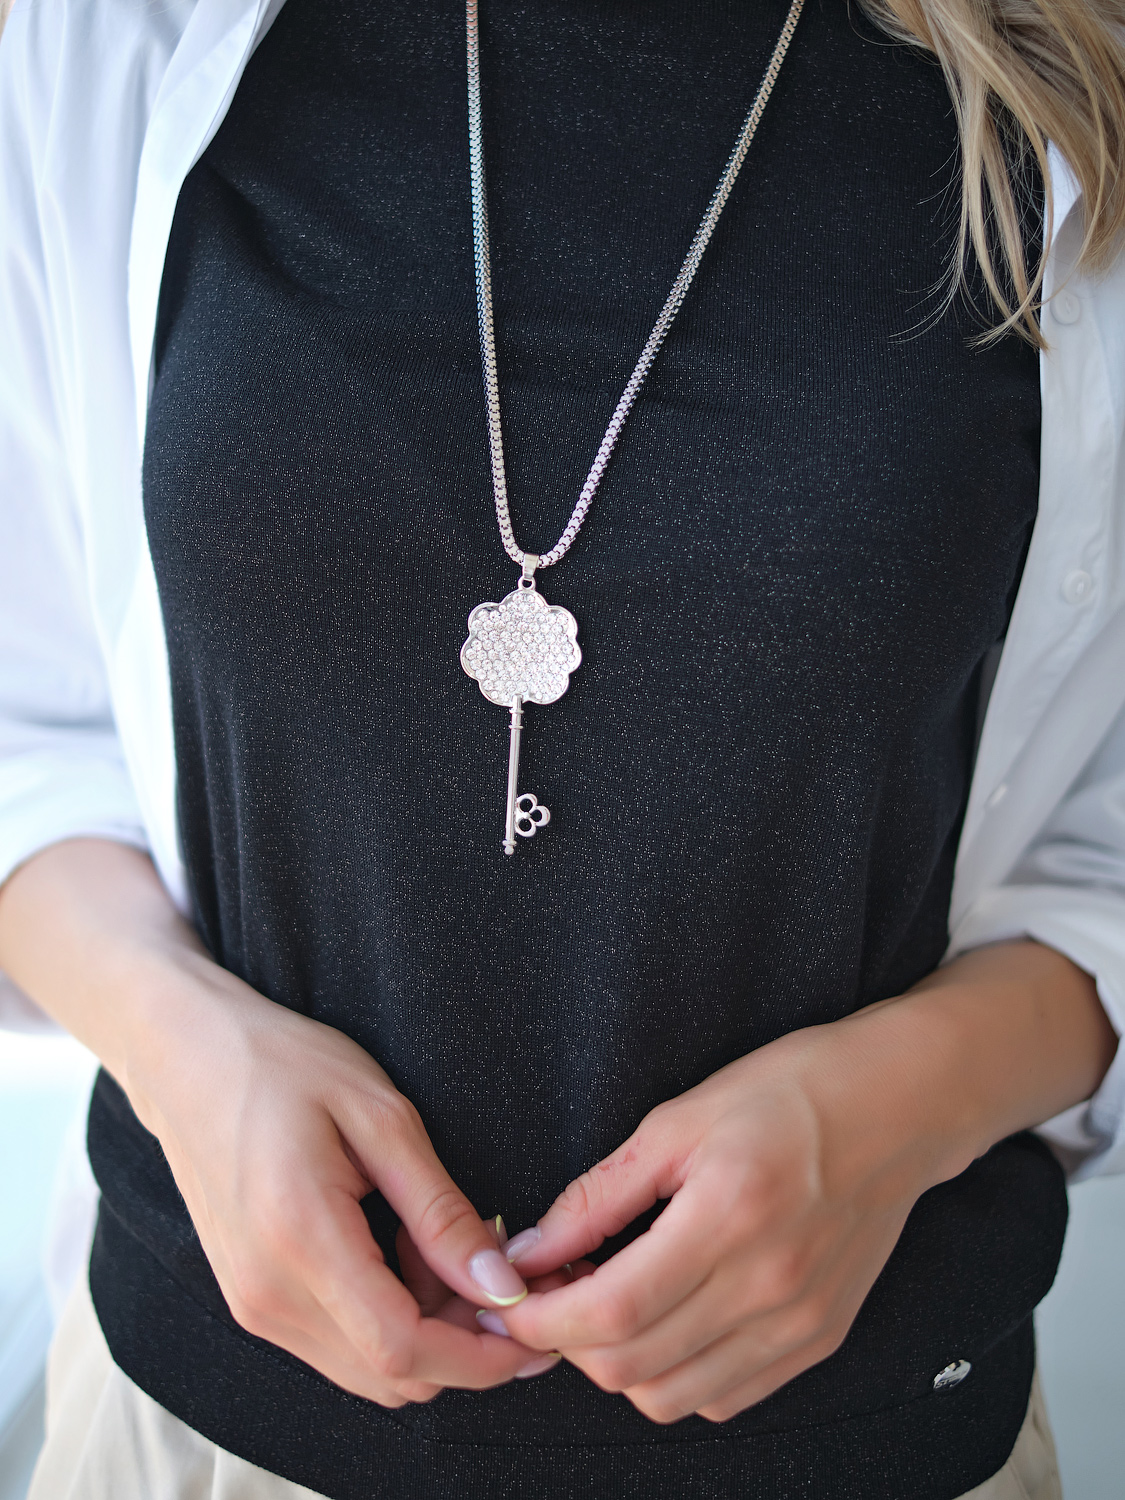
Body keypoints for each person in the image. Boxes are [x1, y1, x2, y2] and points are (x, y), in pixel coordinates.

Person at [1, 0, 1124, 1496]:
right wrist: (178, 1043)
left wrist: (909, 1101)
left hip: (863, 1444)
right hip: (195, 1430)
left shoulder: (1073, 85)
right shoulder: (92, 34)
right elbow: (28, 726)